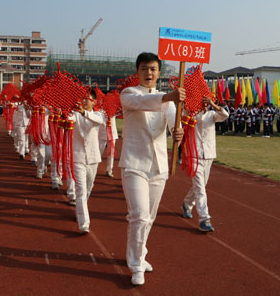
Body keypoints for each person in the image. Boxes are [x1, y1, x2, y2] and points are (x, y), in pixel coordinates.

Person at [119, 52, 185, 286]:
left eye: (153, 69)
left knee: (150, 218)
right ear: (137, 72)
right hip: (134, 163)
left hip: (158, 165)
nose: (149, 73)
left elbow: (174, 125)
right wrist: (169, 96)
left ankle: (140, 254)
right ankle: (136, 265)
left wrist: (179, 133)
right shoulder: (128, 94)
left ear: (159, 73)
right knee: (139, 215)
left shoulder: (167, 101)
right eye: (145, 69)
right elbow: (141, 103)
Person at [181, 96, 228, 232]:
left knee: (201, 185)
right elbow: (181, 117)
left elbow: (225, 115)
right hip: (194, 154)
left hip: (209, 154)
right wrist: (189, 106)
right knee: (200, 187)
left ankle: (187, 203)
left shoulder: (212, 114)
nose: (203, 103)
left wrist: (213, 104)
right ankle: (204, 218)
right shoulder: (189, 113)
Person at [68, 90, 103, 234]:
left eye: (87, 99)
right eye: (82, 98)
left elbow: (98, 121)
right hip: (78, 157)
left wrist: (84, 113)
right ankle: (84, 223)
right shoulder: (75, 114)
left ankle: (81, 210)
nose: (84, 101)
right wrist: (62, 113)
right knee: (81, 190)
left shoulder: (98, 114)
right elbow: (69, 119)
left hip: (93, 157)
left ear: (94, 102)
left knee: (89, 187)